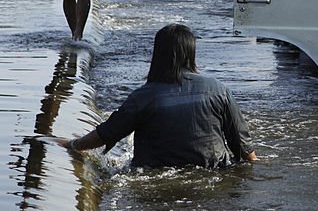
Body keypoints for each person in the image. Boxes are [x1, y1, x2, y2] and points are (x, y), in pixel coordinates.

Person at [60, 24, 257, 168]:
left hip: (157, 172)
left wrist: (72, 144)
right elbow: (243, 146)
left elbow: (106, 133)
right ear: (191, 54)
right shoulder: (218, 89)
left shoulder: (144, 97)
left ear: (158, 55)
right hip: (212, 173)